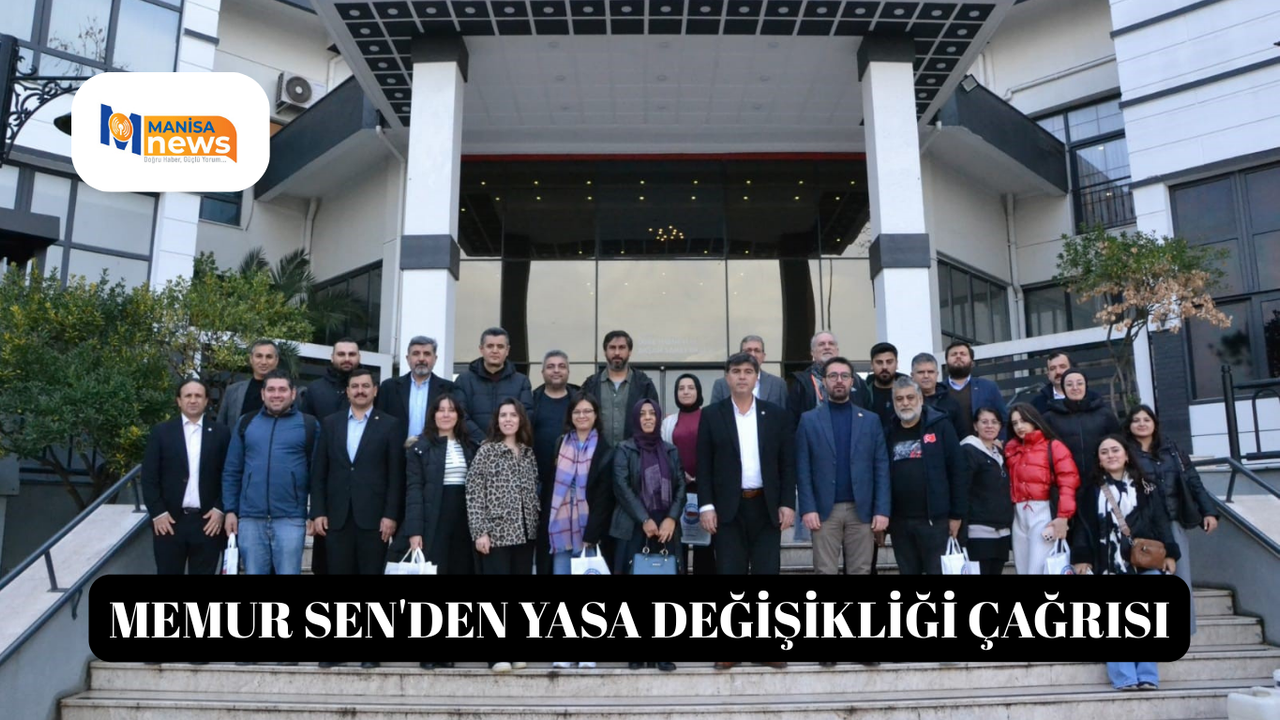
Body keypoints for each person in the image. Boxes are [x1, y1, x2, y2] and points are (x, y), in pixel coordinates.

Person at [1069, 435, 1179, 691]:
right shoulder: (1090, 491)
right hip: (1108, 563)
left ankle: (1147, 675)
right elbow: (1083, 527)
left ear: (1127, 455)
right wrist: (1082, 558)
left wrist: (1170, 553)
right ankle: (1125, 677)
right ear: (1099, 460)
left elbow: (1161, 521)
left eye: (1115, 450)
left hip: (1144, 561)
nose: (1110, 455)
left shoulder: (1146, 486)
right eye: (1104, 452)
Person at [698, 352, 796, 579]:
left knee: (767, 569)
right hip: (727, 509)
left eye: (748, 372)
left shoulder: (775, 415)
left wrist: (787, 503)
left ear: (756, 377)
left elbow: (787, 464)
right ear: (727, 377)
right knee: (729, 570)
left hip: (766, 507)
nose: (742, 377)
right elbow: (704, 464)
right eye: (736, 371)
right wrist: (706, 506)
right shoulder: (712, 415)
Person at [1125, 404, 1218, 634]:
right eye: (1136, 420)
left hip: (1173, 520)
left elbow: (1193, 480)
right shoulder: (1125, 452)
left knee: (1180, 577)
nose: (1141, 424)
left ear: (1155, 423)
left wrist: (1209, 511)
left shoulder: (1172, 450)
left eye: (1146, 419)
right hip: (1142, 525)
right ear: (1129, 425)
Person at [795, 357, 890, 575]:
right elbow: (803, 468)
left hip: (862, 509)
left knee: (861, 570)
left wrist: (881, 509)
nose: (839, 380)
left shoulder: (871, 420)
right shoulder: (809, 420)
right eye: (833, 376)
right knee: (824, 570)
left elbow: (881, 469)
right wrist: (808, 508)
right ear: (824, 381)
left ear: (852, 381)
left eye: (844, 376)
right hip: (824, 511)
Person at [403, 393, 477, 671]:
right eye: (441, 410)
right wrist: (414, 530)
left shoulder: (470, 445)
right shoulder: (420, 448)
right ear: (433, 414)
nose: (446, 414)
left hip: (463, 522)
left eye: (451, 410)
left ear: (458, 415)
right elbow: (413, 490)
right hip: (433, 520)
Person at [611, 397, 684, 672]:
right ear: (635, 418)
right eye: (642, 414)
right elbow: (621, 486)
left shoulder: (671, 450)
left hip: (666, 529)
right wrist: (644, 518)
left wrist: (671, 518)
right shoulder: (624, 449)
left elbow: (680, 487)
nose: (647, 418)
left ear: (659, 417)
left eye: (652, 413)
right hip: (633, 528)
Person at [222, 370, 319, 575]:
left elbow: (318, 474)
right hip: (250, 518)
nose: (276, 395)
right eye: (271, 389)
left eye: (282, 390)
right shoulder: (246, 422)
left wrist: (315, 512)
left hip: (290, 518)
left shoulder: (309, 424)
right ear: (263, 394)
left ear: (293, 393)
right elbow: (232, 470)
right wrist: (230, 510)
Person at [466, 397, 538, 673]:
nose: (508, 419)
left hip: (525, 533)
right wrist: (480, 531)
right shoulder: (487, 451)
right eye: (503, 415)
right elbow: (474, 493)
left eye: (513, 415)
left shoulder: (528, 453)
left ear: (521, 420)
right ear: (497, 421)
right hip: (496, 534)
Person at [310, 369, 405, 575]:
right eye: (355, 386)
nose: (360, 391)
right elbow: (319, 472)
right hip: (336, 518)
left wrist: (390, 515)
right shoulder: (330, 423)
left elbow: (395, 476)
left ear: (375, 390)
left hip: (375, 520)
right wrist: (318, 512)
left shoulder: (390, 425)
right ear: (347, 391)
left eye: (365, 386)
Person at [141, 379, 231, 575]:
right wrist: (158, 513)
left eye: (198, 395)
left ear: (206, 401)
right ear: (179, 401)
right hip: (169, 522)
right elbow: (149, 476)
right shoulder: (161, 432)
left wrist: (220, 509)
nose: (193, 400)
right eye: (187, 395)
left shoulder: (221, 433)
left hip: (208, 523)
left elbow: (229, 475)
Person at [884, 376, 967, 575]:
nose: (905, 403)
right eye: (899, 399)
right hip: (900, 523)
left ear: (920, 399)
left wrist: (956, 515)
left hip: (935, 522)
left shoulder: (941, 425)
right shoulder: (889, 432)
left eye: (910, 397)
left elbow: (957, 470)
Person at [1004, 403, 1080, 575]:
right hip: (1018, 514)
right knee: (1022, 569)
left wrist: (1063, 517)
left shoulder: (1053, 446)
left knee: (1039, 568)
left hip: (1043, 511)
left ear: (1034, 420)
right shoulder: (1011, 450)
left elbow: (1068, 482)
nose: (1019, 426)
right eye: (1015, 423)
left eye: (1023, 421)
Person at [547, 392, 616, 577]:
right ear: (570, 415)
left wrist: (591, 534)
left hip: (589, 533)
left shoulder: (605, 450)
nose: (582, 416)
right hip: (561, 531)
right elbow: (552, 489)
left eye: (587, 411)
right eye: (577, 411)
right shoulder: (561, 443)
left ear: (596, 415)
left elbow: (604, 498)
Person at [661, 374, 714, 575]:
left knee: (705, 549)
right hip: (678, 491)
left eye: (691, 387)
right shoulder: (668, 422)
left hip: (706, 490)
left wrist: (700, 476)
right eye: (681, 388)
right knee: (678, 545)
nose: (685, 392)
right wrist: (679, 475)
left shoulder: (710, 417)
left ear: (698, 391)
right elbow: (663, 454)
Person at [532, 350, 579, 575]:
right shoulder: (533, 400)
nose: (556, 370)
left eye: (561, 366)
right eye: (551, 366)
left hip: (572, 484)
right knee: (542, 539)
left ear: (568, 371)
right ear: (542, 371)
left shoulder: (578, 400)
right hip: (539, 482)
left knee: (570, 540)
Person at [454, 328, 535, 445]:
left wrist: (505, 442)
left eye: (500, 346)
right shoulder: (464, 380)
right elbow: (460, 415)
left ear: (507, 350)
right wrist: (483, 440)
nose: (495, 351)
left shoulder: (521, 381)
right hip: (472, 447)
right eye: (490, 346)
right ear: (481, 349)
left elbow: (526, 415)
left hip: (509, 448)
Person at [580, 330, 661, 447]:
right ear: (605, 352)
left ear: (630, 351)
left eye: (622, 347)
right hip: (597, 454)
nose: (617, 352)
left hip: (635, 453)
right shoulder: (591, 385)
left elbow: (655, 422)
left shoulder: (644, 385)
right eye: (612, 347)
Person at [959, 408, 1013, 575]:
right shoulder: (968, 451)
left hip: (1002, 532)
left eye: (994, 422)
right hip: (978, 531)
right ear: (975, 426)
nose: (990, 426)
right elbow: (962, 490)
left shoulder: (1000, 454)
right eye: (984, 422)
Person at [1044, 369, 1121, 480]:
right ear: (1063, 388)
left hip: (1101, 479)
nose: (1075, 388)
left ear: (1086, 386)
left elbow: (1119, 444)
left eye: (1080, 383)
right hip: (1065, 481)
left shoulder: (1104, 414)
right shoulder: (1050, 417)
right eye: (1069, 384)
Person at [376, 335, 455, 441]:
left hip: (434, 449)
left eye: (427, 354)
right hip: (397, 450)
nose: (421, 359)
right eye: (416, 354)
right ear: (408, 359)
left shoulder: (448, 388)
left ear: (435, 359)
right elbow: (380, 424)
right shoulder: (389, 387)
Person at [789, 330, 870, 427]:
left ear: (837, 351)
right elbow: (792, 421)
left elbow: (867, 415)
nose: (827, 347)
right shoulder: (801, 383)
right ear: (812, 352)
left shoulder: (856, 381)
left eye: (831, 344)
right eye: (821, 344)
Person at [943, 340, 1008, 429]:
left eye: (963, 354)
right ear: (946, 362)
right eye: (954, 354)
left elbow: (1003, 419)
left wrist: (998, 437)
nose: (958, 356)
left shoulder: (989, 387)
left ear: (972, 362)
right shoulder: (937, 390)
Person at [710, 335, 788, 406]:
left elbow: (784, 414)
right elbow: (714, 413)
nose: (753, 354)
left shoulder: (778, 385)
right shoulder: (721, 384)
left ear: (763, 356)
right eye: (748, 350)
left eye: (757, 351)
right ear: (740, 354)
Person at [216, 339, 280, 425]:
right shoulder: (233, 390)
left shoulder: (288, 393)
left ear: (276, 360)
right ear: (251, 359)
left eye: (269, 357)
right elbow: (221, 426)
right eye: (259, 356)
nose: (264, 362)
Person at [911, 352, 968, 443]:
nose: (926, 376)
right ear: (912, 376)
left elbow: (962, 436)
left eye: (930, 372)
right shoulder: (906, 403)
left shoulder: (951, 403)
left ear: (937, 374)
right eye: (921, 372)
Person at [301, 337, 361, 421]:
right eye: (341, 354)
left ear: (359, 358)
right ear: (332, 358)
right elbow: (306, 424)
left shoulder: (370, 389)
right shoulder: (315, 389)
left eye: (352, 354)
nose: (347, 359)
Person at [867, 342, 908, 429]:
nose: (884, 367)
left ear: (896, 364)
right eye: (879, 362)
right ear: (872, 365)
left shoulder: (910, 391)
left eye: (889, 362)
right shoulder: (863, 392)